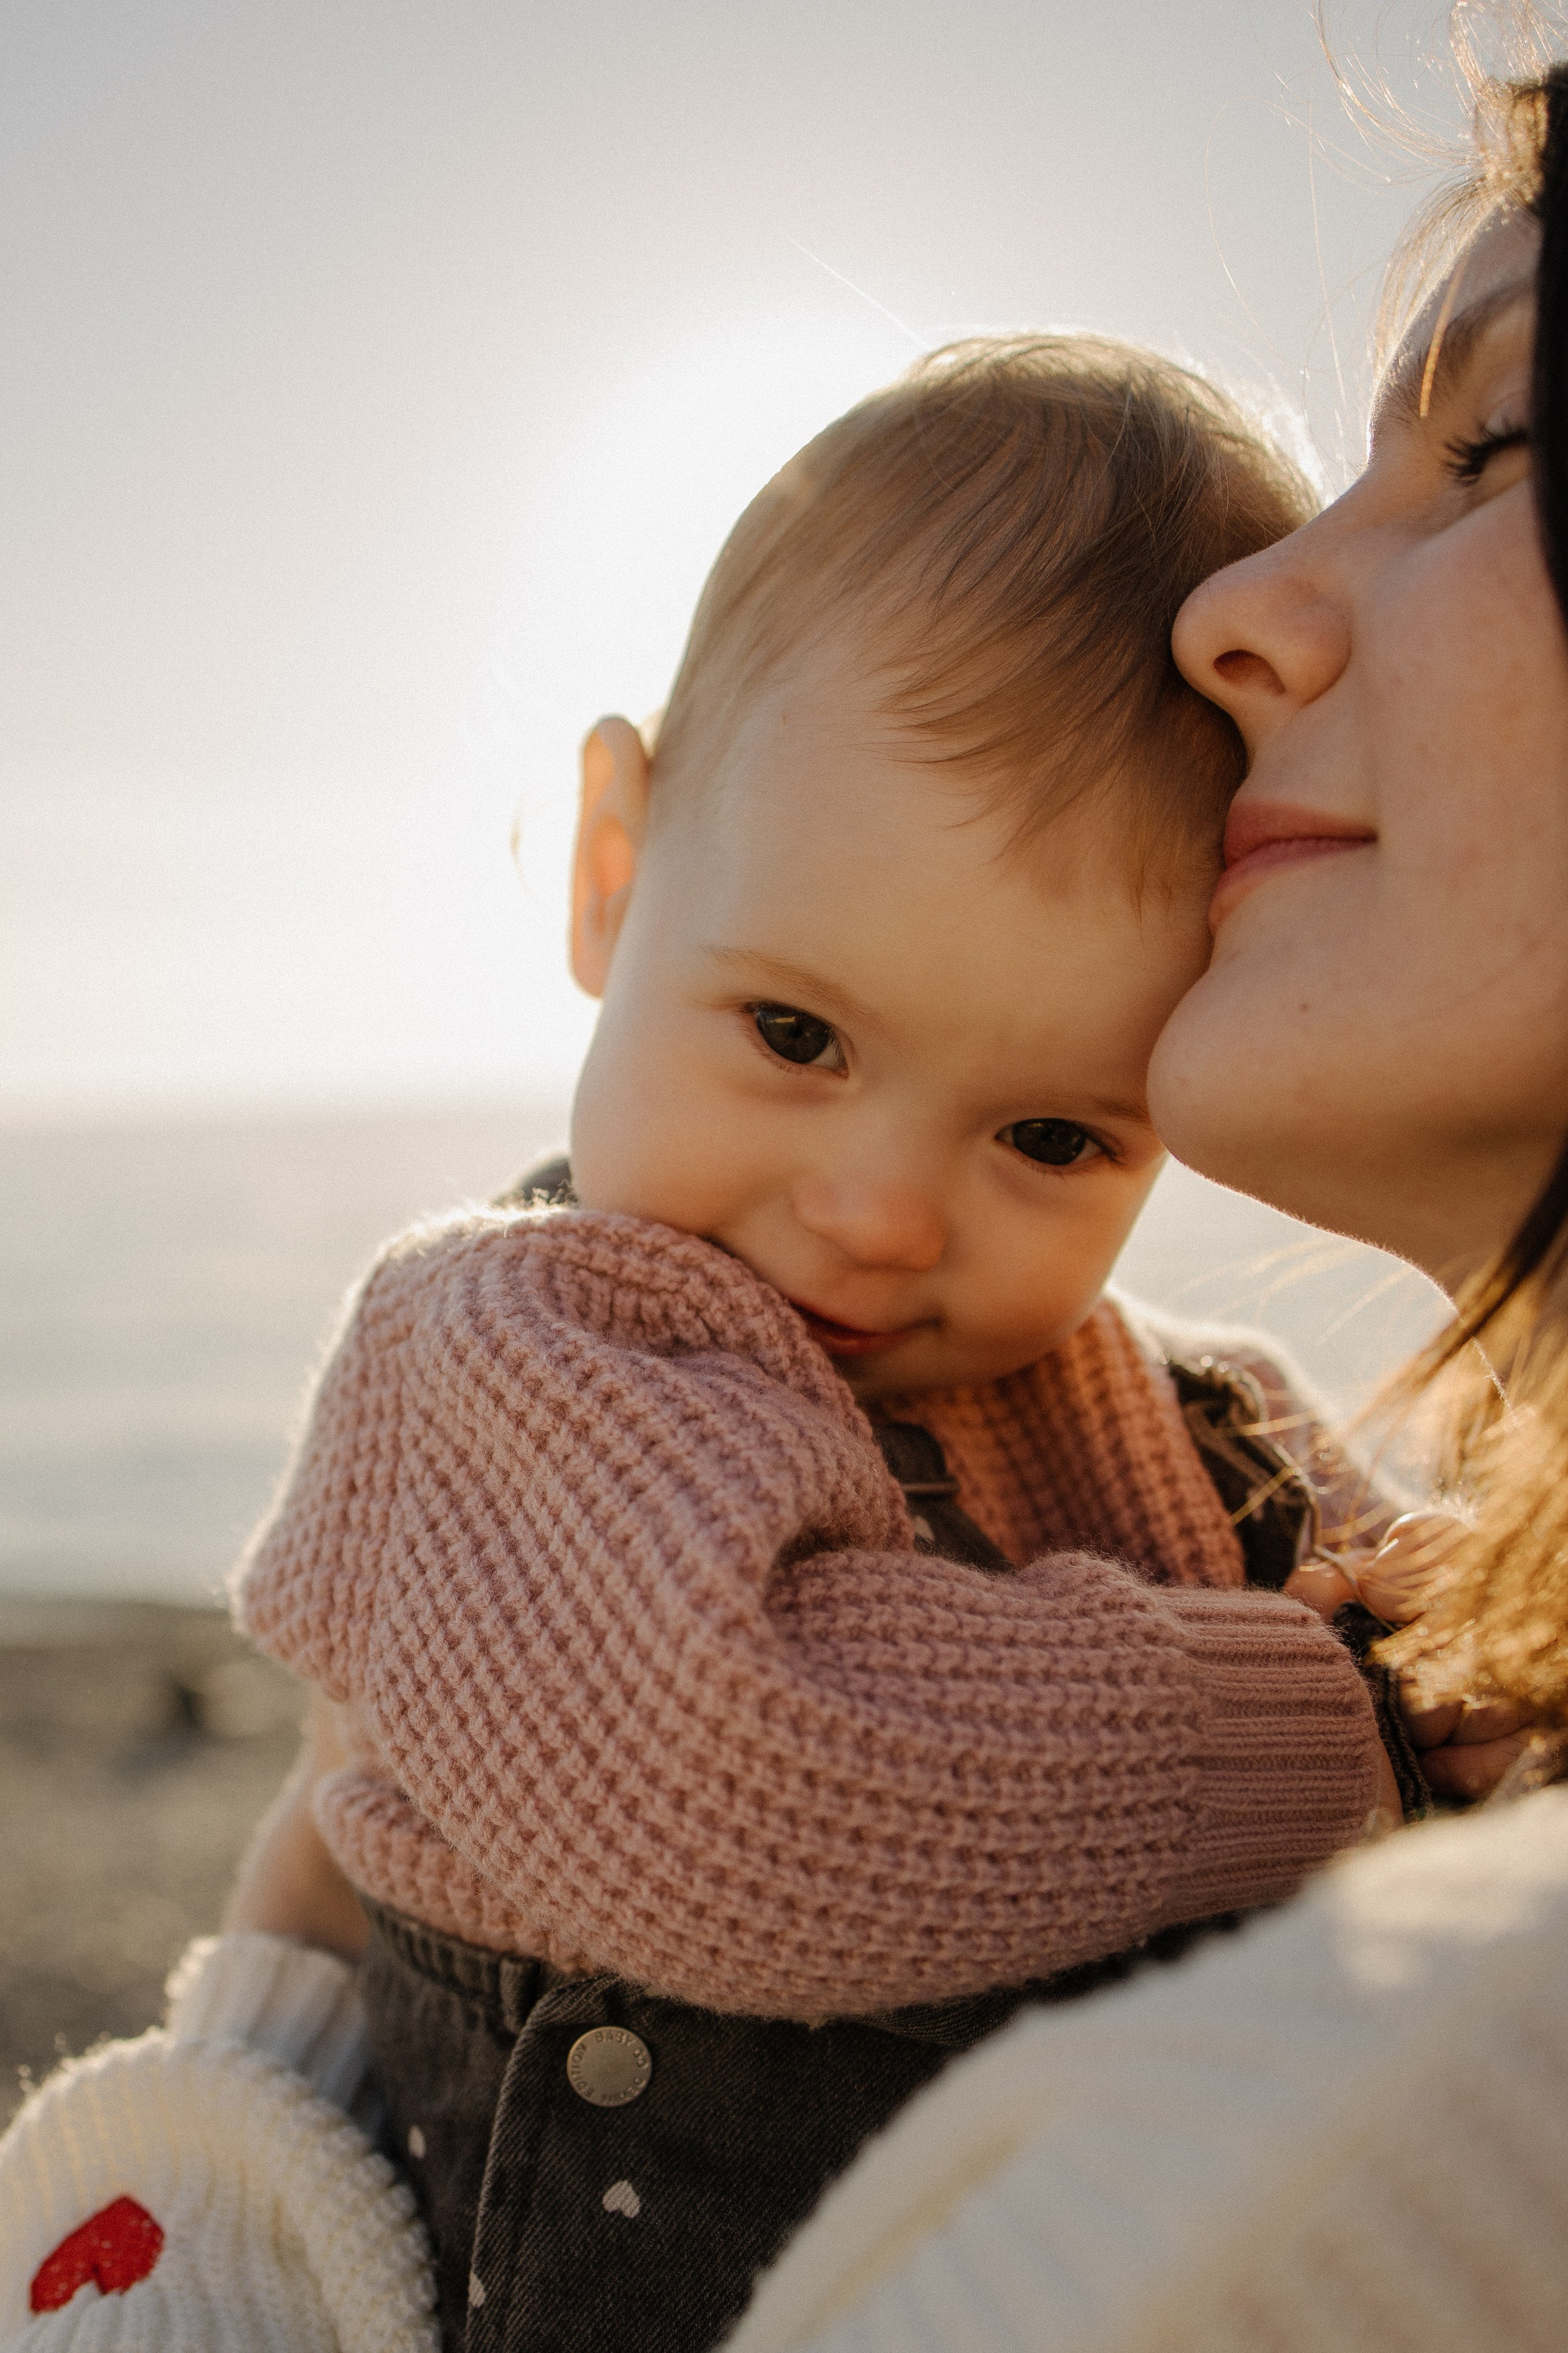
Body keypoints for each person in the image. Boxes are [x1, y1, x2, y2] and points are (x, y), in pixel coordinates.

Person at [228, 333, 1424, 2353]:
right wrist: (1341, 1724)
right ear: (615, 871)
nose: (880, 1209)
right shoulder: (514, 1340)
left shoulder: (1207, 1422)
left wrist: (1454, 1683)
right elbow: (738, 1767)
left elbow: (1444, 1699)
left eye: (1053, 1134)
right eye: (796, 1035)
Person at [718, 44, 1568, 2353]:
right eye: (793, 1034)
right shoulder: (540, 1327)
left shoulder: (1386, 2155)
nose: (1236, 612)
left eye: (1506, 443)